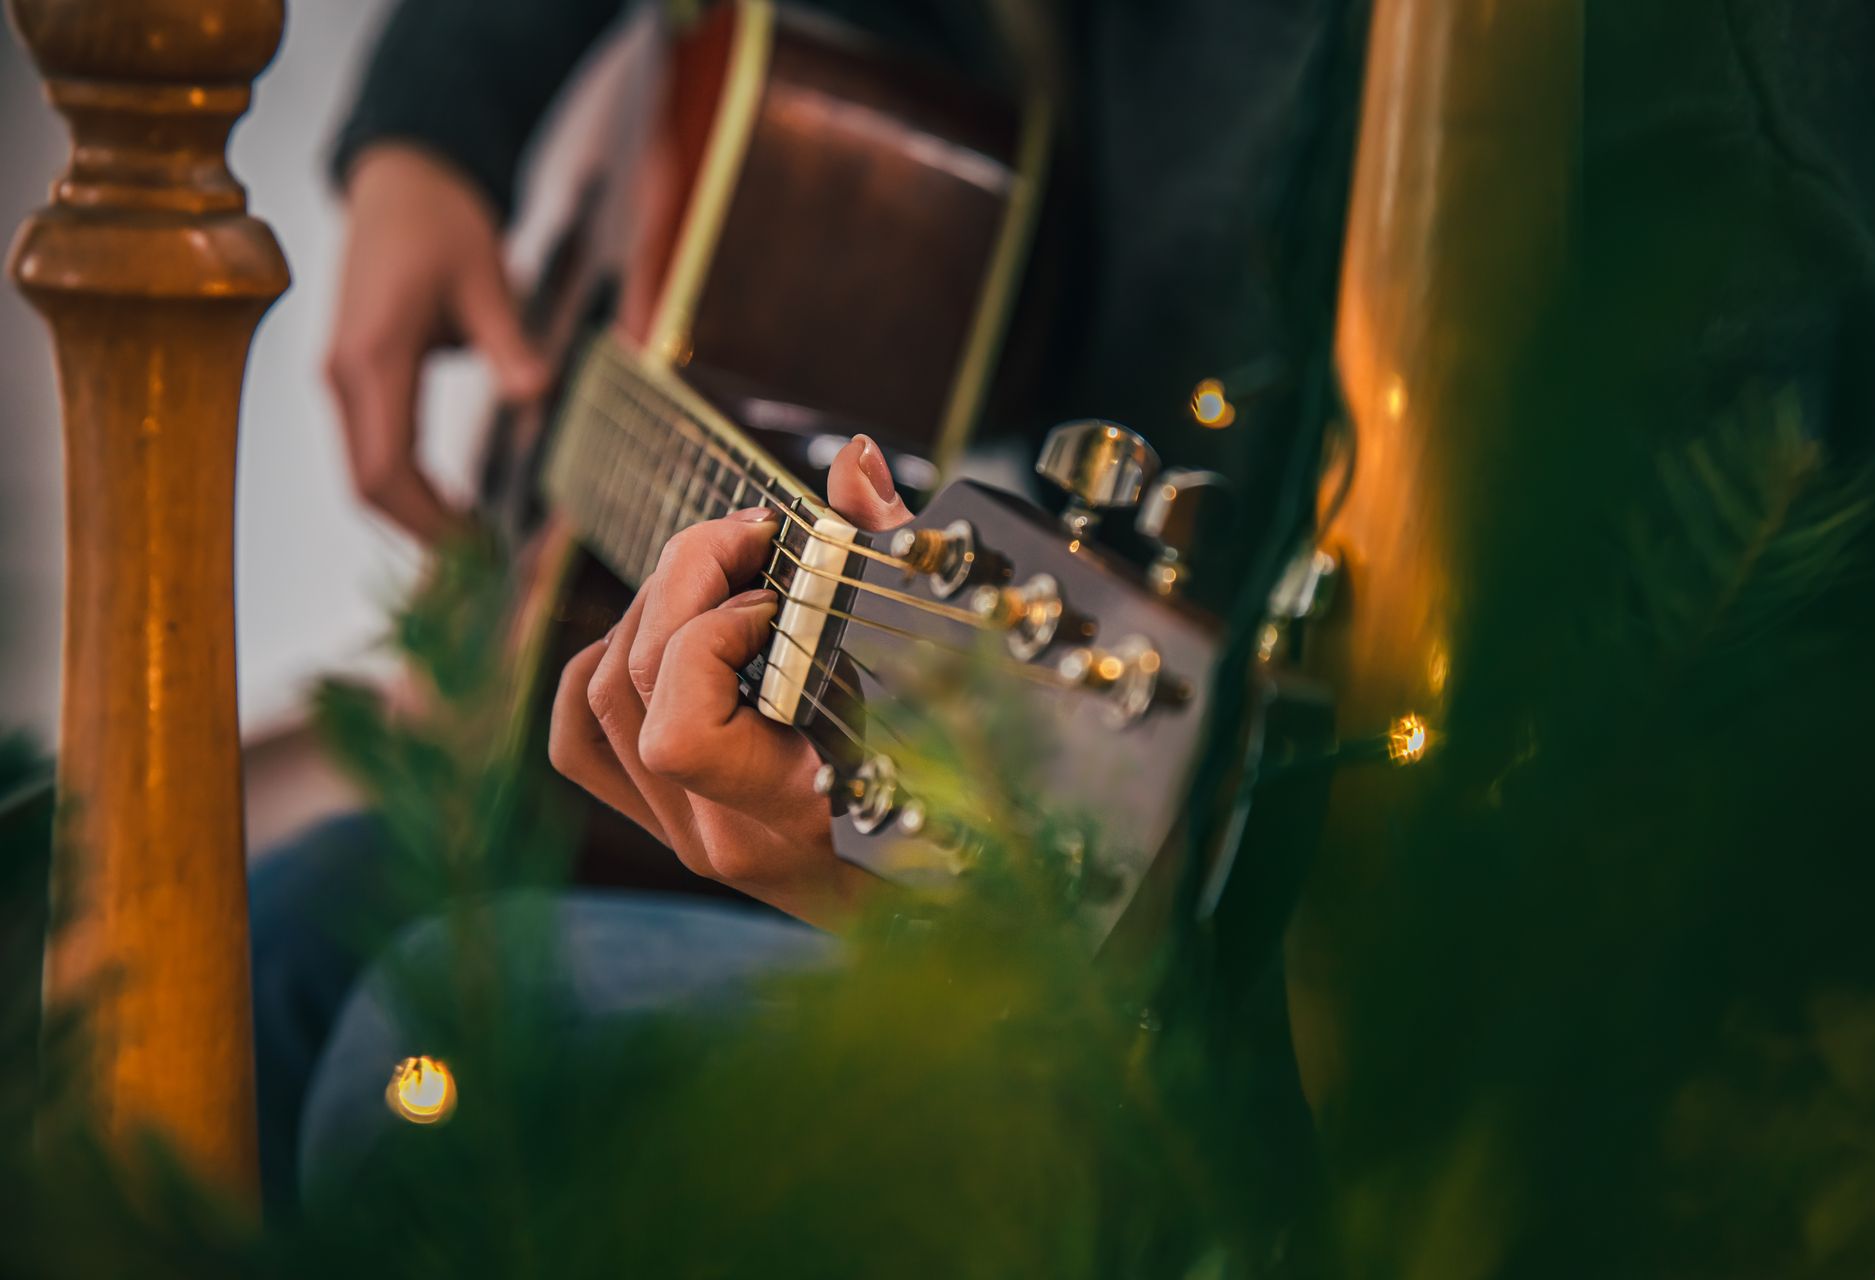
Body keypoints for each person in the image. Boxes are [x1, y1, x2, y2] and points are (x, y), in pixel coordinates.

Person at [259, 0, 1353, 1210]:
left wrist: (904, 882)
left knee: (429, 1055)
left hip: (1235, 948)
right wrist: (430, 127)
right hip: (1047, 791)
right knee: (284, 928)